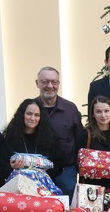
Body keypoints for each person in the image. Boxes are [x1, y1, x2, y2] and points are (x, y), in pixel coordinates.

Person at [35, 66, 84, 197]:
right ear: (37, 83)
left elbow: (80, 138)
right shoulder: (30, 108)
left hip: (66, 172)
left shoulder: (70, 108)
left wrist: (77, 167)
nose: (50, 86)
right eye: (45, 81)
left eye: (54, 82)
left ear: (59, 84)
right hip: (37, 172)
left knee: (68, 209)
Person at [74, 95, 110, 191]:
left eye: (106, 111)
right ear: (93, 114)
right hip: (91, 188)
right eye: (98, 112)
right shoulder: (85, 135)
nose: (103, 115)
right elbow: (77, 163)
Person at [3, 98, 63, 179]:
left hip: (44, 185)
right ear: (22, 115)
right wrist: (12, 167)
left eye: (37, 115)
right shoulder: (10, 137)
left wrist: (42, 172)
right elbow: (3, 169)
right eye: (29, 114)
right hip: (18, 185)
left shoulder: (50, 137)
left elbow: (59, 166)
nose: (32, 118)